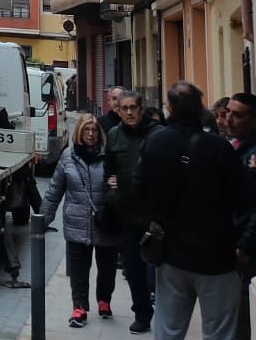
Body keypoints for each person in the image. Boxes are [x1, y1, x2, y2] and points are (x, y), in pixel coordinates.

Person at [138, 82, 245, 340]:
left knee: (168, 330)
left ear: (170, 108)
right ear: (200, 109)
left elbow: (139, 189)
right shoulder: (220, 149)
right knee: (219, 332)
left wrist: (157, 219)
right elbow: (243, 198)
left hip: (172, 253)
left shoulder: (154, 142)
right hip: (216, 256)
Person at [42, 114, 121, 328]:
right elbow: (54, 192)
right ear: (79, 132)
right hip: (76, 223)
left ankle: (104, 300)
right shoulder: (68, 156)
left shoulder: (109, 157)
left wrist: (116, 184)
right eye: (86, 130)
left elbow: (121, 186)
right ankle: (79, 307)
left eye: (94, 130)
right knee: (79, 270)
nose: (91, 134)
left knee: (107, 268)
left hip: (105, 222)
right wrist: (42, 219)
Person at [105, 89, 159, 334]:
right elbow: (108, 172)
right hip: (127, 215)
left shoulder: (157, 134)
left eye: (132, 108)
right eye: (123, 108)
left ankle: (166, 311)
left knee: (160, 269)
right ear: (118, 110)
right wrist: (112, 191)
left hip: (156, 215)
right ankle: (142, 314)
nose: (128, 112)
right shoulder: (114, 136)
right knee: (133, 270)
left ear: (141, 109)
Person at [226, 93, 256, 340]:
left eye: (237, 115)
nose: (228, 119)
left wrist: (245, 244)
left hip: (248, 247)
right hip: (236, 239)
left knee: (243, 314)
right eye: (228, 111)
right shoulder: (237, 146)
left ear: (253, 121)